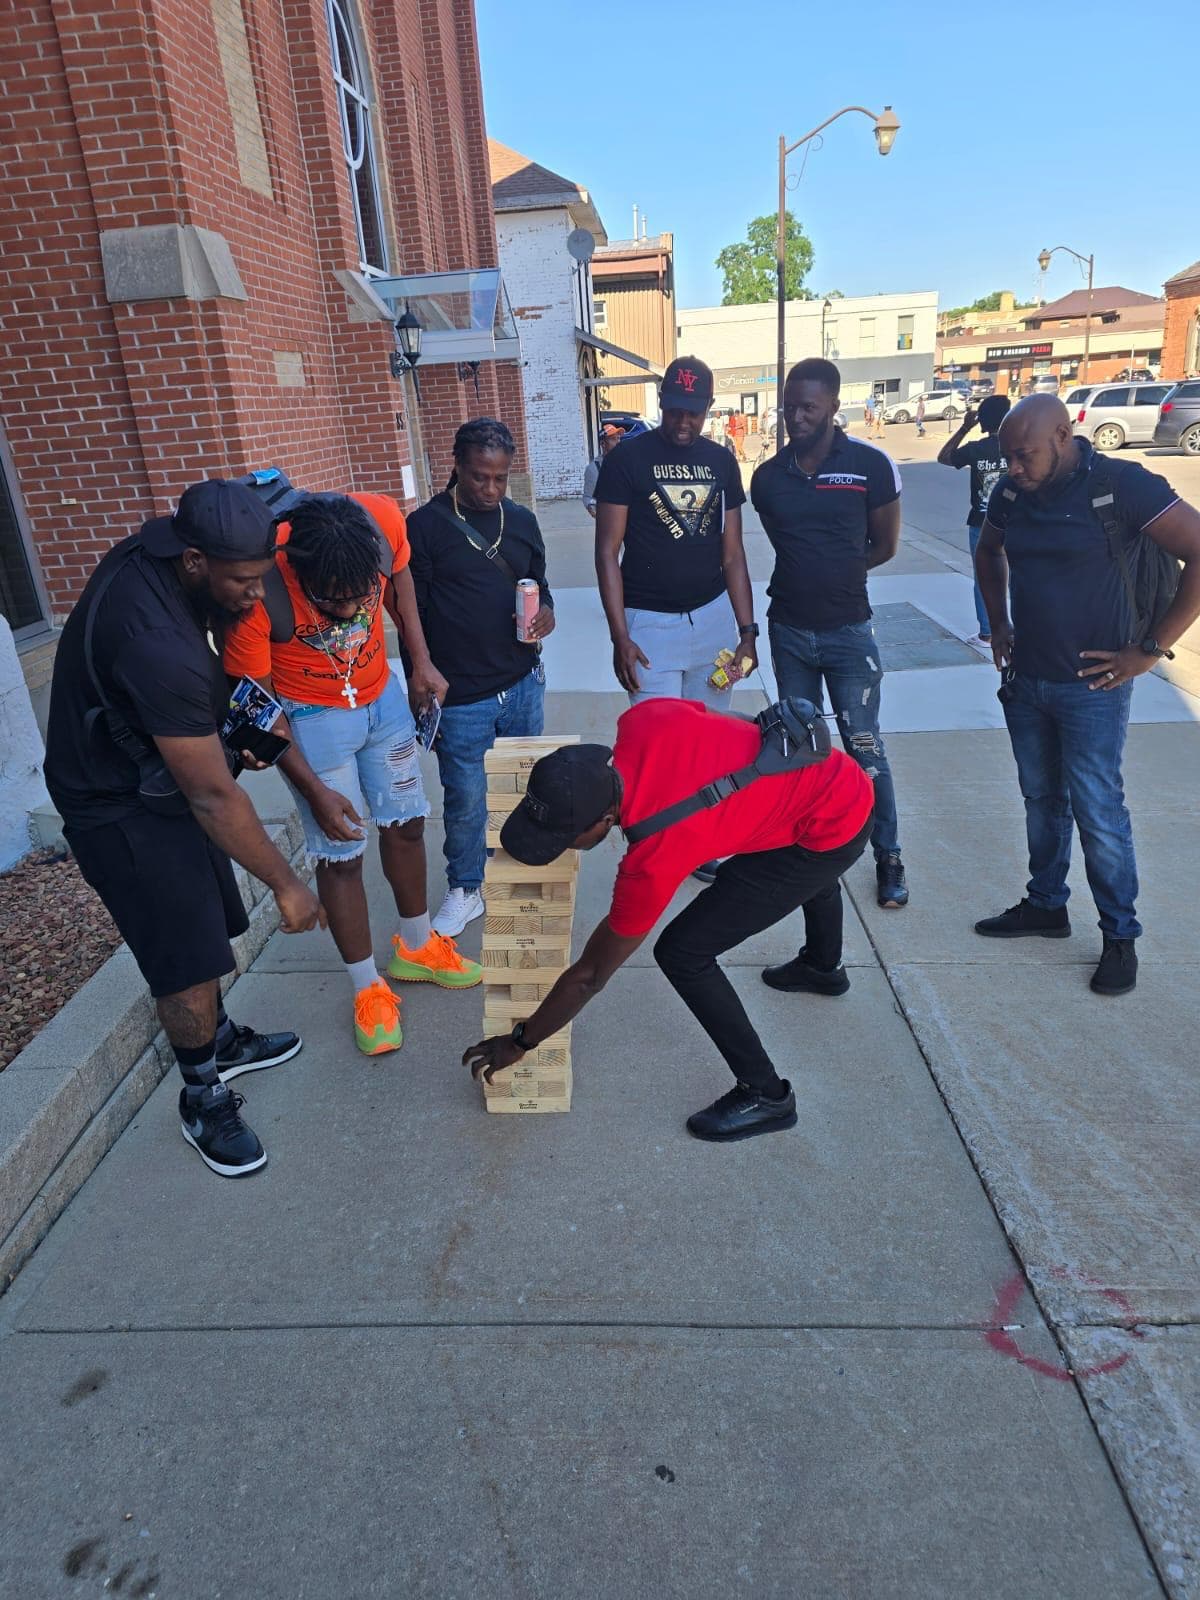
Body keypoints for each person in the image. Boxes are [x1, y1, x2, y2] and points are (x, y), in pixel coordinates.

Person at [43, 481, 324, 1179]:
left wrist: (257, 741)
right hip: (116, 805)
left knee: (209, 919)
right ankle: (202, 1097)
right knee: (187, 960)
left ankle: (220, 1039)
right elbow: (211, 795)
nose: (255, 596)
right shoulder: (153, 641)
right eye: (243, 581)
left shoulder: (156, 555)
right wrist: (288, 886)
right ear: (196, 561)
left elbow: (202, 725)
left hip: (149, 770)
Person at [463, 699, 874, 1141]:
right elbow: (734, 725)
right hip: (830, 776)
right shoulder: (642, 720)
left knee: (683, 952)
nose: (561, 847)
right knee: (784, 864)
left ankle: (767, 1095)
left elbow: (591, 975)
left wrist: (521, 1041)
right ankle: (822, 966)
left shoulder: (655, 856)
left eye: (565, 839)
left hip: (832, 830)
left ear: (604, 821)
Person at [222, 490, 482, 1058]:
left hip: (382, 698)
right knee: (341, 853)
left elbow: (402, 576)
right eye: (333, 601)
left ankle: (415, 947)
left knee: (408, 823)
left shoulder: (382, 520)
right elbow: (258, 710)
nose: (349, 611)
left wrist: (420, 661)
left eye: (358, 596)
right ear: (299, 573)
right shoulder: (258, 592)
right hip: (309, 720)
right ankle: (367, 986)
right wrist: (312, 790)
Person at [974, 394, 1200, 995]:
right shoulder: (1012, 495)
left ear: (1064, 435)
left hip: (1094, 687)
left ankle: (1119, 936)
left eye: (1023, 456)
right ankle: (1046, 905)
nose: (1014, 469)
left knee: (1099, 811)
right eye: (1007, 458)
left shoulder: (1121, 485)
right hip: (1028, 681)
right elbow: (987, 550)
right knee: (1041, 800)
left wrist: (1150, 650)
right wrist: (998, 624)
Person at [750, 358, 909, 909]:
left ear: (834, 406)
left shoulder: (870, 466)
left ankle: (888, 857)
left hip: (848, 634)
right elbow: (787, 545)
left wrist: (840, 572)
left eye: (807, 407)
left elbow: (884, 545)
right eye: (789, 405)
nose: (795, 416)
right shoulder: (768, 478)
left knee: (865, 747)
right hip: (789, 630)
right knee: (800, 747)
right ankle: (809, 849)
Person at [594, 354, 757, 883]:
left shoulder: (721, 461)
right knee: (657, 742)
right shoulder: (628, 460)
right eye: (675, 410)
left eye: (694, 412)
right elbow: (607, 552)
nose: (684, 422)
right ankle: (655, 842)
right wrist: (620, 636)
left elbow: (733, 553)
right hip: (649, 625)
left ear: (708, 408)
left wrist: (747, 632)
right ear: (661, 402)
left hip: (712, 622)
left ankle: (702, 841)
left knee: (710, 738)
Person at [406, 417, 556, 937]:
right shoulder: (424, 527)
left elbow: (542, 584)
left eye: (499, 478)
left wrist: (548, 613)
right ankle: (466, 887)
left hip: (521, 683)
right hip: (462, 693)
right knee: (465, 797)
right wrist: (417, 676)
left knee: (517, 785)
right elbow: (411, 613)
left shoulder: (521, 521)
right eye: (478, 477)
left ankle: (510, 869)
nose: (490, 489)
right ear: (456, 466)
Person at [937, 395, 1011, 646]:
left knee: (985, 576)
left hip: (982, 522)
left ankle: (988, 632)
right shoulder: (1016, 447)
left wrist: (964, 427)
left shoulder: (977, 450)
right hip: (1017, 521)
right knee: (1019, 573)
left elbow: (944, 457)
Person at [583, 424, 623, 517]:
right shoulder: (594, 469)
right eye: (613, 439)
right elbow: (588, 498)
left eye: (618, 438)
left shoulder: (627, 463)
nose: (618, 442)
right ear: (603, 444)